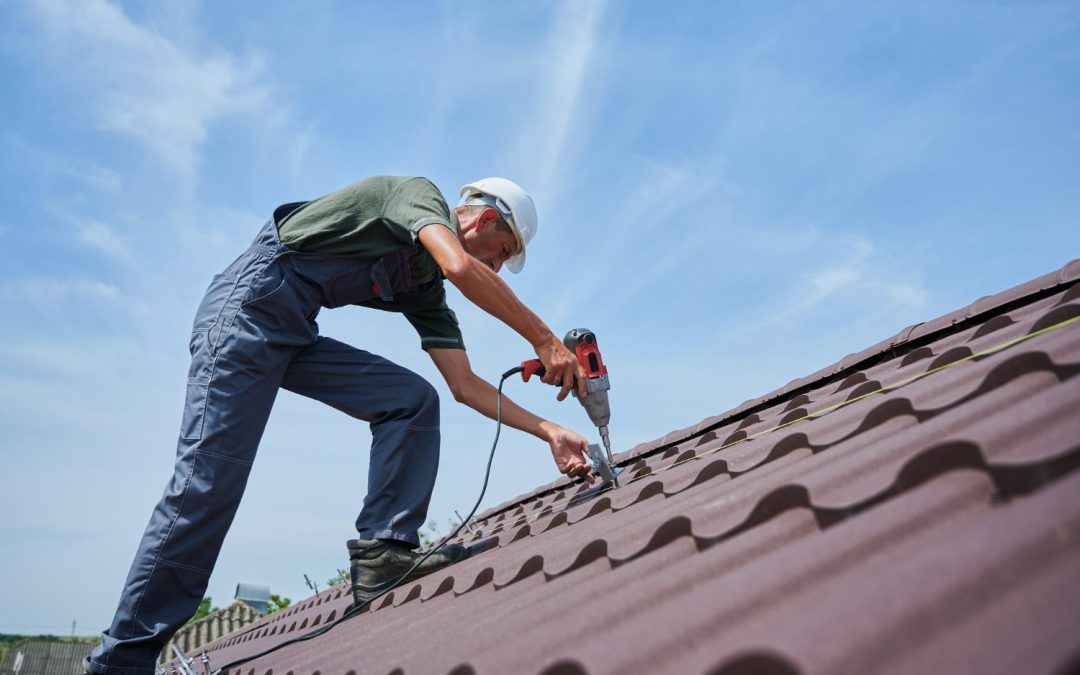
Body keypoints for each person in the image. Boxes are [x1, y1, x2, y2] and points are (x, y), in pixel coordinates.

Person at [86, 176, 594, 675]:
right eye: (502, 250)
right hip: (244, 313)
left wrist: (548, 429)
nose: (498, 266)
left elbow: (463, 384)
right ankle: (122, 661)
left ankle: (384, 554)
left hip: (293, 331)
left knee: (411, 400)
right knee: (208, 484)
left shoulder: (423, 284)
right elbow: (460, 263)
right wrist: (545, 340)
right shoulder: (416, 196)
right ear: (483, 219)